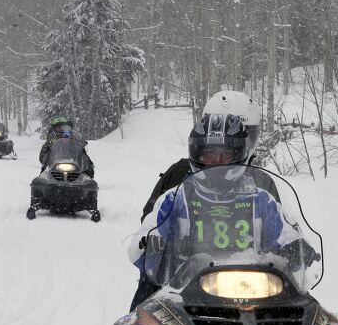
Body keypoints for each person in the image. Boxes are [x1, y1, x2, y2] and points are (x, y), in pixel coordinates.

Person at [129, 114, 315, 310]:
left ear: (240, 154)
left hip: (255, 293)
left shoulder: (261, 200)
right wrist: (150, 245)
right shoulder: (175, 198)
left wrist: (296, 246)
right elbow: (141, 241)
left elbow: (286, 233)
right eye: (209, 155)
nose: (216, 162)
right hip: (185, 294)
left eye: (224, 155)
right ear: (196, 153)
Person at [140, 90, 273, 222]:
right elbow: (151, 219)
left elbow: (280, 225)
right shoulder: (179, 174)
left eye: (247, 133)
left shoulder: (261, 181)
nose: (240, 137)